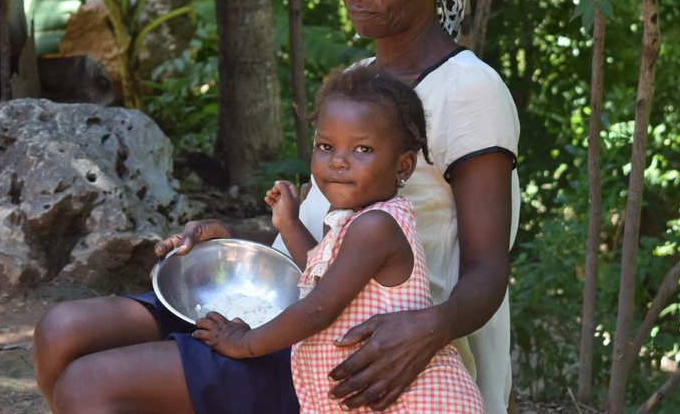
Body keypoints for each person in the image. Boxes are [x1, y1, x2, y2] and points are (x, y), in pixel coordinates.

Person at [32, 0, 520, 414]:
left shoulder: (468, 89)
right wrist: (233, 245)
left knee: (87, 386)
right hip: (292, 302)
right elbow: (325, 238)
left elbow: (488, 269)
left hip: (357, 347)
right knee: (62, 332)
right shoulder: (363, 82)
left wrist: (427, 329)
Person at [199, 64, 485, 412]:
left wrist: (244, 343)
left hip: (423, 403)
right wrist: (289, 223)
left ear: (403, 166)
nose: (337, 162)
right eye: (325, 146)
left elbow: (318, 308)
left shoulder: (376, 225)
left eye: (362, 149)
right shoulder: (352, 221)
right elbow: (320, 276)